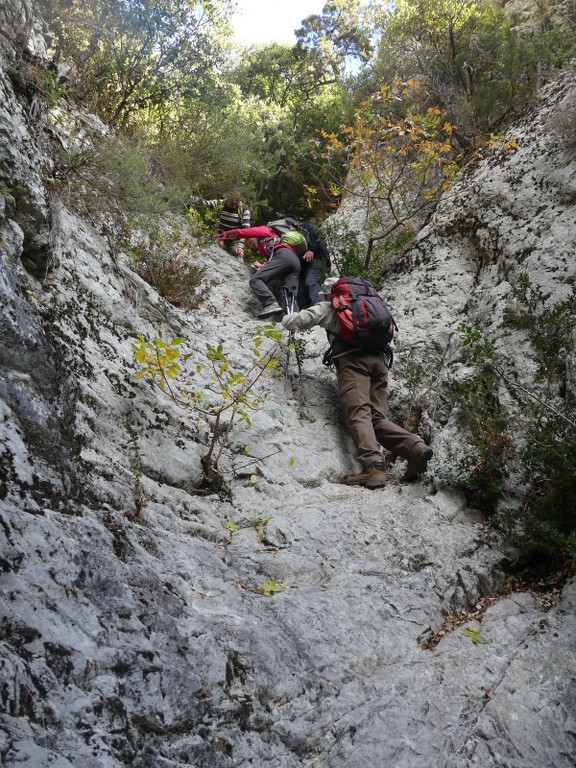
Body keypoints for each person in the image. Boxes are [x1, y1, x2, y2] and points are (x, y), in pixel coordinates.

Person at [281, 277, 433, 488]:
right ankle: (414, 448)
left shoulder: (332, 306)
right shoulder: (368, 305)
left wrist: (284, 318)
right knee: (376, 417)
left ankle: (373, 468)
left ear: (330, 294)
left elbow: (298, 321)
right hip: (380, 362)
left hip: (354, 363)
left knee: (358, 413)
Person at [218, 225, 301, 318]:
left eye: (249, 241)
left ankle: (270, 303)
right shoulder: (269, 242)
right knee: (288, 295)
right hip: (294, 261)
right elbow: (275, 264)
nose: (251, 245)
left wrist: (220, 236)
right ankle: (298, 324)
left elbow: (240, 233)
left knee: (256, 280)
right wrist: (263, 266)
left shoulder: (264, 230)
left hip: (284, 256)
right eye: (249, 245)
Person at [192, 192, 250, 259]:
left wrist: (240, 247)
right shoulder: (221, 203)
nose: (234, 202)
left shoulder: (244, 209)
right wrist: (189, 197)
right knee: (217, 247)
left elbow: (246, 231)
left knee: (237, 254)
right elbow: (205, 203)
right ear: (227, 198)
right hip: (220, 236)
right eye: (232, 200)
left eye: (237, 200)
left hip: (235, 239)